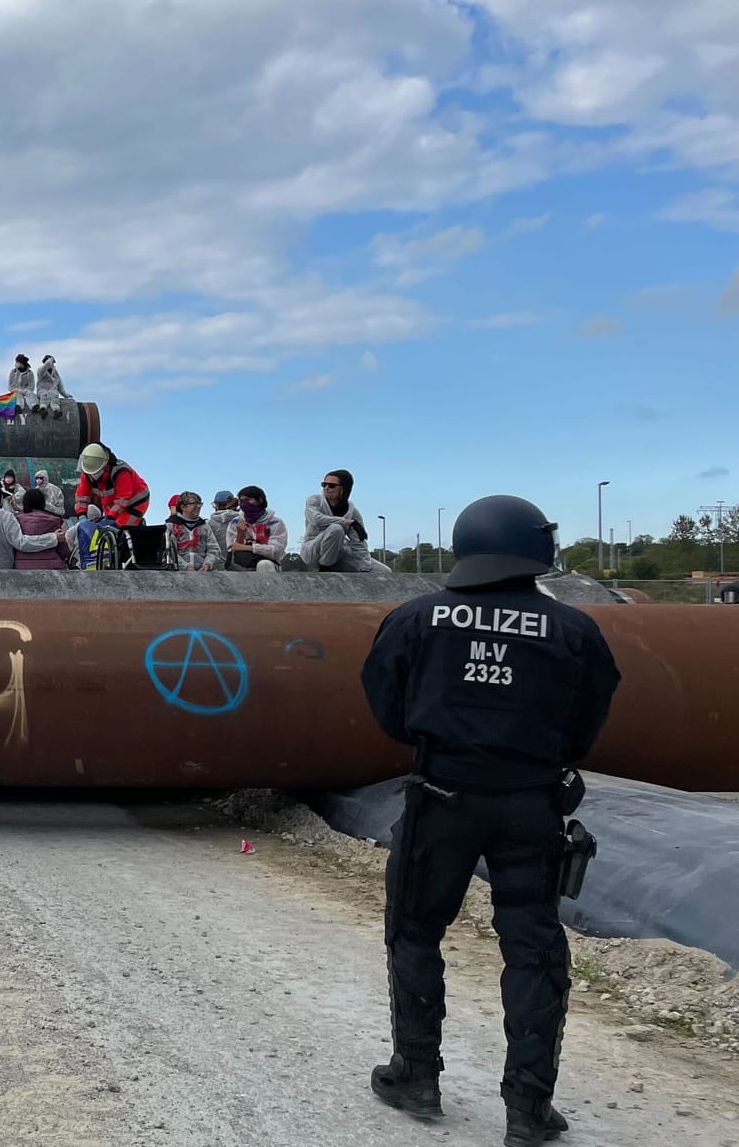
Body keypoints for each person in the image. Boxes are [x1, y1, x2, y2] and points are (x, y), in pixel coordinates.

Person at [361, 495, 621, 1145]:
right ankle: (528, 1112)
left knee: (416, 934)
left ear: (467, 545)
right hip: (531, 804)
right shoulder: (575, 631)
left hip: (440, 797)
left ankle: (416, 1075)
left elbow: (386, 704)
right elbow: (588, 720)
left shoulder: (416, 618)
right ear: (537, 549)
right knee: (533, 948)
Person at [302, 469, 382, 573]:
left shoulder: (352, 511)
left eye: (331, 485)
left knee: (383, 571)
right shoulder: (314, 501)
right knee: (336, 529)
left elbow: (358, 543)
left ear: (343, 488)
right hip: (313, 551)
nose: (326, 488)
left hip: (340, 553)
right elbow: (316, 519)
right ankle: (325, 568)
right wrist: (345, 521)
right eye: (324, 484)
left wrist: (365, 567)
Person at [73, 443, 150, 527]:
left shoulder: (121, 472)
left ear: (105, 465)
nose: (93, 475)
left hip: (136, 503)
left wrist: (110, 517)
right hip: (114, 504)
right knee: (107, 530)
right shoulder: (88, 472)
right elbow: (82, 496)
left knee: (120, 530)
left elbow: (122, 499)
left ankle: (138, 527)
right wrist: (82, 515)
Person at [225, 485, 289, 572]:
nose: (244, 504)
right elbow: (233, 548)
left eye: (248, 500)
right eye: (241, 501)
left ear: (260, 500)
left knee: (264, 564)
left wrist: (249, 548)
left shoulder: (275, 523)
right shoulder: (235, 522)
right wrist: (240, 534)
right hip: (242, 563)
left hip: (268, 564)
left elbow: (276, 550)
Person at [12, 488, 71, 570]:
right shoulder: (53, 521)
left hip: (22, 568)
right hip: (51, 568)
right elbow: (63, 551)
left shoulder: (16, 521)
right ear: (43, 503)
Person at [165, 492, 224, 572]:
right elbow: (169, 551)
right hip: (178, 573)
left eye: (200, 504)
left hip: (203, 573)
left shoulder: (205, 526)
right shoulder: (170, 526)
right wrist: (185, 566)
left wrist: (208, 564)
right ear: (183, 507)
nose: (198, 507)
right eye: (194, 504)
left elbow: (213, 548)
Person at [207, 490, 238, 556]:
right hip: (239, 562)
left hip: (216, 562)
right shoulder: (242, 519)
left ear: (216, 504)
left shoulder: (209, 523)